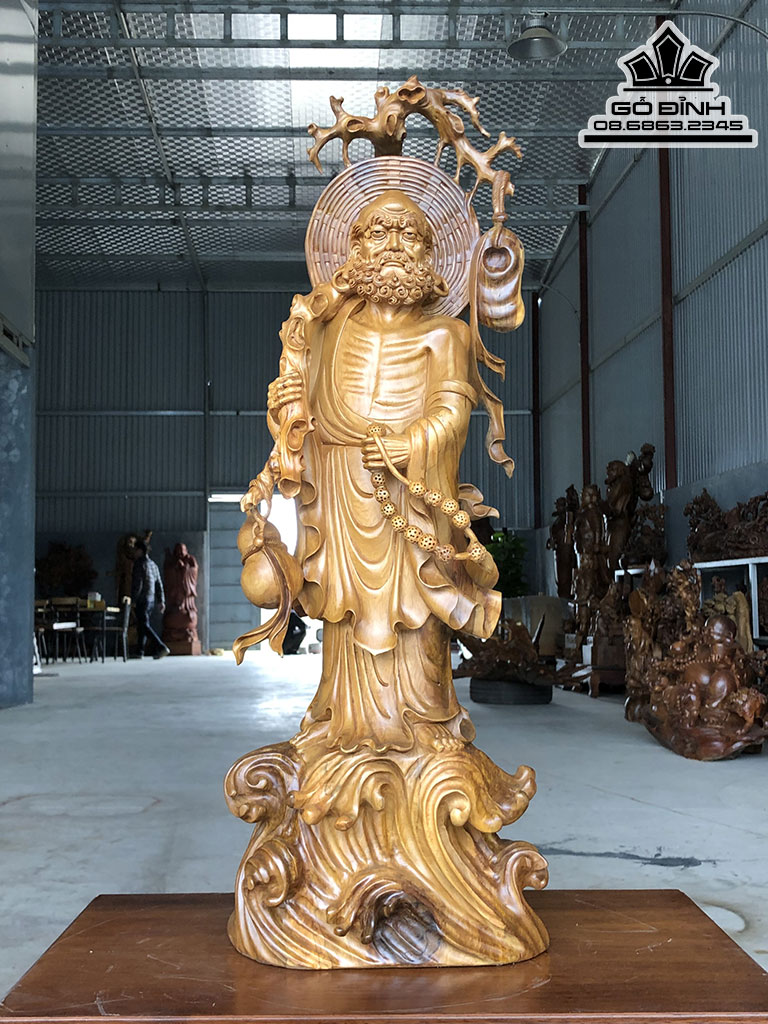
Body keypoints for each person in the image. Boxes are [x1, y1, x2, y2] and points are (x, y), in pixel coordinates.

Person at [131, 540, 169, 659]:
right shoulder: (153, 565)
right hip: (151, 600)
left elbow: (138, 584)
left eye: (135, 549)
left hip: (142, 599)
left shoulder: (139, 564)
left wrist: (133, 599)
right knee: (142, 625)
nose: (134, 552)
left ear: (140, 550)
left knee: (143, 625)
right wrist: (161, 601)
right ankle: (140, 651)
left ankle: (161, 646)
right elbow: (159, 584)